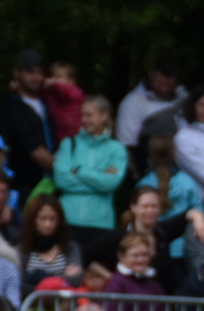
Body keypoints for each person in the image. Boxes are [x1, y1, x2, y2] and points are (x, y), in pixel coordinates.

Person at [52, 94, 129, 260]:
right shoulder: (69, 144)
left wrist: (80, 171)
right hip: (68, 220)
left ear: (103, 116)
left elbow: (112, 183)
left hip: (101, 223)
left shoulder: (116, 149)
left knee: (96, 274)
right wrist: (99, 179)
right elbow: (61, 180)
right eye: (82, 115)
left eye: (89, 115)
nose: (84, 120)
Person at [0, 50, 57, 196]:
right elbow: (32, 147)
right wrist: (66, 173)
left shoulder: (46, 103)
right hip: (24, 186)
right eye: (30, 72)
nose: (36, 77)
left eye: (40, 73)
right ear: (17, 73)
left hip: (50, 183)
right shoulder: (10, 106)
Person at [119, 185, 203, 291]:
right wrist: (113, 279)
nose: (150, 211)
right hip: (132, 299)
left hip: (163, 299)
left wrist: (198, 218)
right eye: (145, 206)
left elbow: (187, 215)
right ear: (133, 207)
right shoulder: (121, 236)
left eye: (154, 206)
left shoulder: (163, 231)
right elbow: (93, 253)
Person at [99, 232, 168, 311]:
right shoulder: (115, 285)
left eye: (145, 255)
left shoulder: (153, 283)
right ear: (122, 256)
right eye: (135, 255)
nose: (141, 260)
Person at [116, 56, 187, 148]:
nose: (164, 88)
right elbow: (127, 144)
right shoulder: (133, 103)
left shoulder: (184, 97)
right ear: (151, 74)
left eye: (169, 84)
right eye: (161, 83)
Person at [19, 196, 84, 293]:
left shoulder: (70, 247)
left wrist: (36, 280)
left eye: (52, 219)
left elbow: (76, 279)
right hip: (34, 306)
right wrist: (61, 278)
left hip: (64, 306)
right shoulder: (23, 249)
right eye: (43, 218)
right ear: (33, 220)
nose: (47, 224)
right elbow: (19, 282)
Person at [42, 61, 84, 144]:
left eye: (59, 77)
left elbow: (65, 91)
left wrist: (55, 84)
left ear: (71, 81)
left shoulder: (75, 92)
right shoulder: (51, 94)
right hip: (59, 137)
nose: (54, 79)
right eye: (53, 76)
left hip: (76, 135)